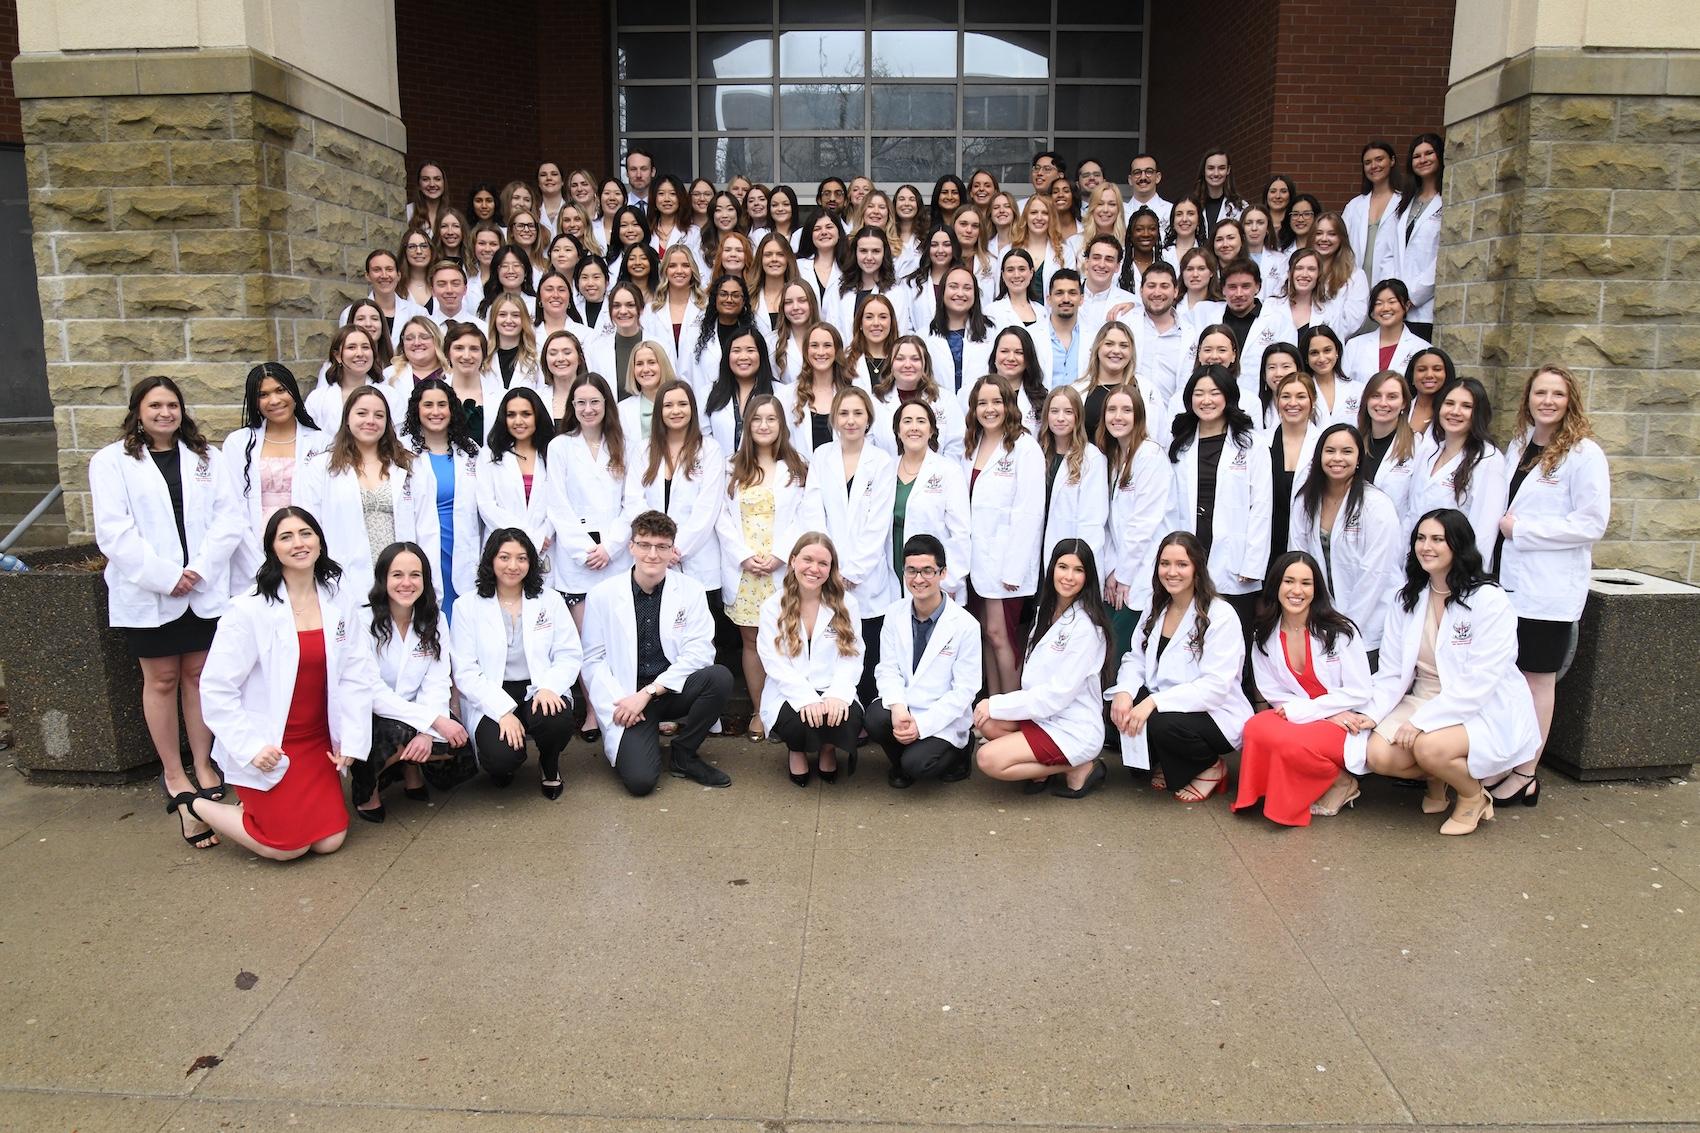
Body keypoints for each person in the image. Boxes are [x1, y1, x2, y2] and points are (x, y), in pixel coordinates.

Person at [91, 377, 246, 846]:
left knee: (199, 675)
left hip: (201, 586)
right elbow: (114, 532)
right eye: (155, 405)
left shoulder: (207, 457)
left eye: (172, 404)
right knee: (160, 680)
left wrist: (198, 570)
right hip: (149, 591)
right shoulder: (110, 462)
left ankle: (203, 761)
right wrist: (165, 576)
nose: (165, 413)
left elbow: (229, 519)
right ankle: (174, 772)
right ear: (138, 412)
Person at [190, 506, 376, 859]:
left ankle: (257, 810)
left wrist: (351, 738)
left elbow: (355, 672)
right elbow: (216, 687)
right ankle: (195, 806)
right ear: (272, 549)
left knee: (330, 841)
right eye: (286, 537)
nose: (298, 543)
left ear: (319, 541)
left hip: (318, 744)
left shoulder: (338, 599)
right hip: (270, 745)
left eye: (306, 533)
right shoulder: (248, 609)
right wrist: (250, 747)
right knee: (287, 849)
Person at [1363, 510, 1541, 835]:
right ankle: (1438, 777)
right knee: (1378, 756)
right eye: (1420, 538)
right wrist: (1371, 714)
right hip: (1425, 695)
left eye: (1437, 539)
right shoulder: (1408, 598)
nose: (1426, 547)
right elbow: (1391, 670)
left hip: (1481, 704)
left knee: (1428, 747)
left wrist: (1421, 722)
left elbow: (1482, 680)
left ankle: (1473, 797)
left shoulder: (1489, 599)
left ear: (1458, 546)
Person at [1487, 364, 1611, 805]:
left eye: (1557, 394)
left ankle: (1526, 772)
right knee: (1509, 678)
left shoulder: (1584, 454)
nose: (1547, 401)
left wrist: (1523, 530)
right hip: (1507, 584)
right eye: (1540, 393)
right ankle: (1507, 759)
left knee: (1538, 680)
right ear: (1528, 398)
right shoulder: (1520, 444)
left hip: (1547, 590)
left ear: (1570, 400)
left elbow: (1592, 523)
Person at [579, 510, 736, 794]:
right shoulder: (603, 594)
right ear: (631, 547)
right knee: (640, 782)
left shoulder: (691, 590)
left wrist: (650, 692)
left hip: (670, 689)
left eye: (662, 546)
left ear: (672, 550)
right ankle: (639, 739)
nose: (652, 554)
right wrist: (623, 703)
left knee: (719, 677)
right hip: (628, 694)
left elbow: (699, 652)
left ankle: (684, 754)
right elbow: (593, 660)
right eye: (644, 545)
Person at [1233, 551, 1376, 825]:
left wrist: (1318, 711)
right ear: (1276, 586)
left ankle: (1340, 782)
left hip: (1346, 720)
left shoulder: (1340, 631)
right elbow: (1272, 692)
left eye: (1306, 583)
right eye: (1289, 581)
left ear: (1316, 589)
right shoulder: (1264, 634)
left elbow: (1360, 690)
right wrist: (1319, 713)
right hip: (1307, 715)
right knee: (1254, 728)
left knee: (1289, 743)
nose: (1297, 591)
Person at [1108, 531, 1251, 802]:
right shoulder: (1156, 606)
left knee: (1162, 722)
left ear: (1197, 568)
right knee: (1117, 706)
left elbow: (1214, 688)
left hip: (1214, 713)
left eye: (1182, 564)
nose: (1171, 572)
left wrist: (1153, 702)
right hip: (1168, 703)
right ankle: (1171, 763)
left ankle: (1211, 768)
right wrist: (1124, 692)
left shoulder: (1220, 615)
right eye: (1165, 564)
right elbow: (1136, 657)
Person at [974, 539, 1113, 798]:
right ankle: (1045, 767)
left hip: (1071, 726)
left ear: (1088, 577)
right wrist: (994, 707)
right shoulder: (1045, 612)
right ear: (1052, 570)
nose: (1068, 577)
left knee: (988, 759)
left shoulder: (1086, 628)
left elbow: (1056, 696)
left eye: (1078, 570)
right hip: (1044, 716)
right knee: (988, 723)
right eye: (1063, 567)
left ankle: (1079, 765)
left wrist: (994, 702)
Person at [546, 372, 643, 741]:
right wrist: (584, 549)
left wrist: (611, 547)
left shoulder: (625, 446)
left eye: (595, 402)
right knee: (586, 641)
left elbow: (633, 503)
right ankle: (591, 710)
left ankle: (623, 705)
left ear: (606, 405)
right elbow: (557, 504)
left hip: (616, 556)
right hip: (578, 560)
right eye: (581, 403)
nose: (588, 409)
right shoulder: (560, 447)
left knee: (619, 637)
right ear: (572, 407)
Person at [450, 528, 581, 796]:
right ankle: (506, 765)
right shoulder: (467, 606)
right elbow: (465, 671)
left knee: (555, 720)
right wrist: (502, 712)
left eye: (521, 558)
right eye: (504, 557)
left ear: (531, 562)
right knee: (500, 758)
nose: (513, 565)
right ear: (490, 560)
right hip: (492, 689)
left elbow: (569, 653)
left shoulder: (550, 600)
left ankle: (549, 762)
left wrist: (550, 687)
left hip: (538, 685)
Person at [351, 541, 474, 821]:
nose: (406, 583)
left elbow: (437, 681)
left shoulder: (435, 619)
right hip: (372, 713)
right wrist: (433, 721)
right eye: (397, 575)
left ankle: (410, 765)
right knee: (395, 733)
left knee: (458, 745)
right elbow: (373, 692)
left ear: (425, 580)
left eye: (415, 575)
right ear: (383, 579)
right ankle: (368, 786)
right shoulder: (362, 621)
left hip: (418, 711)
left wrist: (427, 732)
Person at [717, 395, 810, 741]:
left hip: (781, 568)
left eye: (771, 419)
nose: (764, 426)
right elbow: (721, 517)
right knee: (752, 640)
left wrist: (780, 555)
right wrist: (744, 555)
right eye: (757, 419)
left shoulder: (797, 466)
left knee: (785, 638)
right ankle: (759, 710)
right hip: (746, 571)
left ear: (781, 425)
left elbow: (804, 515)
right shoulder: (731, 467)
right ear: (747, 425)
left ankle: (786, 709)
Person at [799, 386, 896, 704]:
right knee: (835, 646)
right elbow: (813, 511)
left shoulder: (882, 462)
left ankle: (868, 712)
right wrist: (826, 565)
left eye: (857, 413)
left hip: (868, 576)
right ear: (834, 419)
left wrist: (852, 571)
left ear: (869, 418)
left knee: (867, 647)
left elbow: (878, 524)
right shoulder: (822, 456)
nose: (850, 420)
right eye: (843, 413)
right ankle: (840, 712)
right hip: (826, 570)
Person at [295, 385, 441, 596]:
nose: (371, 421)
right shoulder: (321, 468)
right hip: (343, 581)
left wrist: (431, 590)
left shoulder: (411, 466)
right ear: (347, 418)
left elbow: (427, 530)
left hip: (401, 582)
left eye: (379, 415)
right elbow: (309, 528)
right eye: (362, 413)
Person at [868, 533, 983, 788]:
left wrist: (922, 725)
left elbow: (965, 690)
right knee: (875, 717)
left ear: (943, 573)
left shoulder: (966, 625)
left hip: (942, 715)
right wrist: (898, 708)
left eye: (927, 571)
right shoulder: (894, 613)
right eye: (911, 571)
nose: (918, 579)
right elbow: (887, 669)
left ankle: (959, 753)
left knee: (918, 765)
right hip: (907, 707)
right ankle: (900, 762)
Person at [1165, 365, 1271, 638]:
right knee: (1190, 637)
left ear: (1228, 396)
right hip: (1190, 552)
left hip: (1235, 560)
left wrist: (1253, 563)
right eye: (1199, 393)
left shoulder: (1251, 443)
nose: (1206, 400)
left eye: (1214, 393)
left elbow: (1261, 506)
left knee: (1231, 638)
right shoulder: (1180, 443)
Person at [1289, 424, 1404, 665]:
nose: (1337, 458)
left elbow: (1375, 573)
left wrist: (1347, 626)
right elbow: (1298, 559)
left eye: (1347, 451)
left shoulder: (1376, 505)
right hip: (1321, 620)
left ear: (1359, 459)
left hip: (1369, 622)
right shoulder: (1305, 500)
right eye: (1330, 451)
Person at [758, 531, 865, 786]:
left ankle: (827, 748)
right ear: (793, 560)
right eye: (807, 559)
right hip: (788, 690)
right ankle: (796, 750)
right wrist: (805, 698)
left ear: (831, 568)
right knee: (798, 721)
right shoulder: (773, 606)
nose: (814, 569)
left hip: (830, 685)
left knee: (847, 717)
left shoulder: (847, 604)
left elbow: (852, 655)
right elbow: (773, 662)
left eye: (823, 563)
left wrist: (837, 695)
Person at [962, 374, 1045, 696]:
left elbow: (1030, 513)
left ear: (1009, 405)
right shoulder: (972, 445)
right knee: (984, 633)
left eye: (997, 401)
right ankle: (993, 703)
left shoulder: (1025, 447)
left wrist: (1014, 568)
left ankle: (1010, 711)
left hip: (1006, 563)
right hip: (975, 560)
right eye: (982, 403)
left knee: (1001, 635)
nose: (990, 409)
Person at [223, 363, 327, 591]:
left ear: (293, 392)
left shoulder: (322, 442)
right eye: (263, 394)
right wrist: (259, 565)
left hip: (306, 551)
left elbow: (327, 508)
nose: (274, 400)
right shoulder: (238, 443)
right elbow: (233, 508)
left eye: (280, 390)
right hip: (252, 554)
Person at [1099, 384, 1171, 658]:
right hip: (1119, 573)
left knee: (1123, 650)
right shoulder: (1114, 457)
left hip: (1141, 571)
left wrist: (1124, 576)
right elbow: (1109, 523)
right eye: (1112, 410)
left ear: (1139, 415)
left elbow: (1143, 525)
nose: (1118, 416)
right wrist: (1111, 571)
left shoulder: (1150, 456)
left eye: (1126, 410)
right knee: (1108, 648)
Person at [637, 379, 727, 593]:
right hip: (652, 559)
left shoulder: (710, 450)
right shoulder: (643, 450)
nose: (676, 411)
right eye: (668, 405)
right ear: (659, 411)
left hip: (697, 559)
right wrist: (657, 546)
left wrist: (674, 549)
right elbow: (635, 501)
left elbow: (707, 508)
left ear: (692, 409)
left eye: (682, 404)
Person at [401, 379, 480, 617]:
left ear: (451, 409)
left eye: (442, 405)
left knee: (463, 615)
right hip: (422, 543)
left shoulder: (470, 451)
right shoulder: (400, 452)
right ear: (417, 409)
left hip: (463, 544)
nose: (435, 412)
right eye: (428, 405)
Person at [1411, 376, 1508, 553]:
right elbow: (1412, 512)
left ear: (1479, 413)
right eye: (1449, 403)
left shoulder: (1489, 459)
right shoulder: (1427, 452)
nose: (1455, 411)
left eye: (1466, 406)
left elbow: (1485, 529)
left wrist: (1470, 568)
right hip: (1418, 558)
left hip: (1457, 563)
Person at [888, 398, 972, 603]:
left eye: (921, 421)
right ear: (898, 430)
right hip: (892, 572)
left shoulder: (948, 471)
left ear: (932, 430)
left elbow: (960, 532)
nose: (914, 427)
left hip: (932, 575)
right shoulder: (885, 470)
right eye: (907, 421)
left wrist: (950, 580)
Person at [1037, 385, 1109, 571]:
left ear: (1078, 416)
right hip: (1035, 553)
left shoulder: (1091, 458)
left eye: (1068, 412)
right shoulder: (1036, 453)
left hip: (1070, 559)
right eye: (1054, 411)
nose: (1060, 418)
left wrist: (1080, 564)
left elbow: (1092, 520)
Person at [1392, 133, 1443, 340]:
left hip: (1425, 306)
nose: (1422, 160)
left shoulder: (1446, 200)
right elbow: (1393, 252)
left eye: (1429, 153)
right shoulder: (1406, 201)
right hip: (1398, 305)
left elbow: (1443, 257)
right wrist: (1395, 295)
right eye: (1416, 156)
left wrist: (1413, 296)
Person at [1356, 369, 1421, 524]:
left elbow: (1417, 506)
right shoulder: (1352, 442)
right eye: (1376, 395)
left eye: (1392, 397)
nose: (1383, 403)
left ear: (1404, 403)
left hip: (1396, 534)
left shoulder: (1419, 446)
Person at [700, 322, 776, 451]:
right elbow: (704, 440)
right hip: (719, 463)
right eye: (736, 351)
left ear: (761, 355)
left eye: (750, 350)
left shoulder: (780, 392)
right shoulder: (707, 393)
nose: (743, 357)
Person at [923, 264, 995, 395]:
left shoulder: (992, 332)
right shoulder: (924, 336)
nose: (960, 293)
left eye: (967, 288)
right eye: (953, 286)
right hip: (938, 405)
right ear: (942, 292)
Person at [1342, 141, 1404, 292]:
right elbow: (1341, 244)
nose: (1374, 166)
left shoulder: (1404, 202)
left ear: (1392, 161)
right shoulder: (1354, 206)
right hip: (1354, 284)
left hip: (1391, 283)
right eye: (1368, 162)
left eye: (1379, 159)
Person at [1340, 279, 1429, 383]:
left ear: (1406, 306)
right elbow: (1343, 385)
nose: (1385, 308)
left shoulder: (1422, 348)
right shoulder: (1354, 345)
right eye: (1378, 303)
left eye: (1392, 302)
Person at [585, 281, 646, 396]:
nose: (623, 311)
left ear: (641, 309)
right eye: (616, 306)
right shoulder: (596, 350)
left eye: (630, 305)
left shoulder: (661, 346)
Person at [1036, 269, 1085, 389]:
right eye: (1059, 293)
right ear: (1049, 299)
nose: (1066, 299)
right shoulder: (1032, 335)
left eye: (1072, 293)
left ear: (1081, 299)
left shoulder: (1094, 337)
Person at [1191, 149, 1244, 234]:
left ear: (1228, 170)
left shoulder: (1240, 207)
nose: (1216, 173)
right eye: (1211, 168)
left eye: (1221, 168)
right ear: (1203, 171)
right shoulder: (1192, 205)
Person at [1123, 152, 1172, 228]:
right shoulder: (1120, 213)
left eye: (1149, 172)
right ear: (1130, 180)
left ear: (1158, 177)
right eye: (1137, 173)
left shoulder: (1170, 211)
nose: (1143, 177)